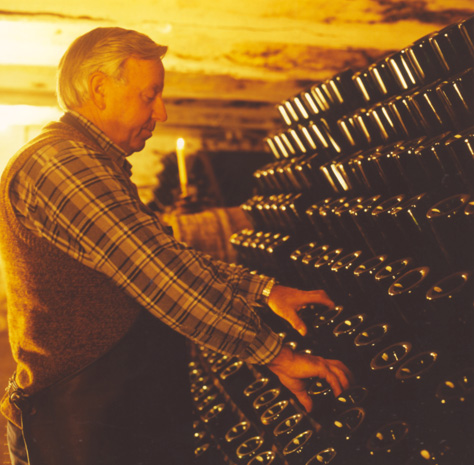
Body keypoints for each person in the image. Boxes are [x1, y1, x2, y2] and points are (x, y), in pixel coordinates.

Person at [0, 27, 353, 465]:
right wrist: (277, 355)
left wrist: (264, 291)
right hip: (78, 424)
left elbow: (168, 254)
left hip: (107, 414)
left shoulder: (92, 164)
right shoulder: (61, 164)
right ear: (99, 89)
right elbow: (160, 276)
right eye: (150, 96)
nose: (162, 112)